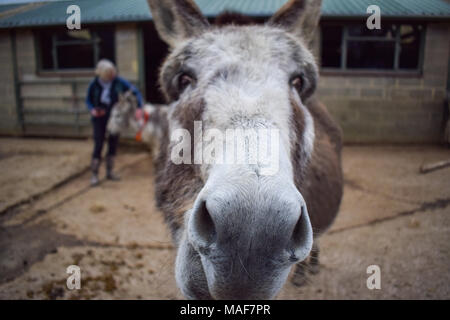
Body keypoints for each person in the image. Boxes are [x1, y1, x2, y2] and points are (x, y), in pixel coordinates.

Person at [86, 59, 143, 186]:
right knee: (98, 144)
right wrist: (92, 110)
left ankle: (109, 172)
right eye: (109, 73)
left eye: (113, 72)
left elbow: (136, 92)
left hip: (114, 116)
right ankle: (94, 175)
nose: (112, 75)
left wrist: (139, 107)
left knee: (113, 143)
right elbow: (88, 100)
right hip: (99, 117)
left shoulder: (118, 81)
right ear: (102, 73)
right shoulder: (94, 84)